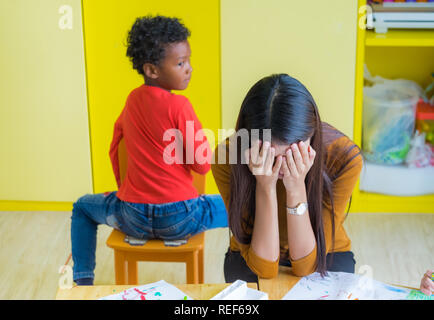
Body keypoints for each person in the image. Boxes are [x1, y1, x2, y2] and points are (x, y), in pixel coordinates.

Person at [70, 15, 228, 286]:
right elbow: (202, 165)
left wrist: (124, 190)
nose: (189, 68)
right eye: (180, 63)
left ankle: (83, 283)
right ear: (152, 70)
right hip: (182, 218)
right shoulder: (181, 107)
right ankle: (246, 277)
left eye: (188, 60)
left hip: (132, 217)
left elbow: (114, 149)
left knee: (82, 207)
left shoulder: (132, 100)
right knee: (242, 203)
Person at [211, 74, 363, 283]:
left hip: (326, 253)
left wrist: (296, 188)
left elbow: (307, 266)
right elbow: (264, 267)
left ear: (312, 134)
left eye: (292, 153)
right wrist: (265, 185)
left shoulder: (343, 157)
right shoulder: (228, 157)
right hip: (251, 253)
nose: (282, 165)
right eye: (271, 155)